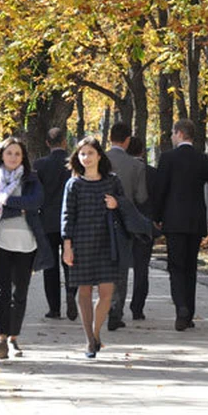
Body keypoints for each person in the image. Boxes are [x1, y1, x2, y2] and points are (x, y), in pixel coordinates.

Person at [151, 119, 208, 331]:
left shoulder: (168, 158)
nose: (171, 137)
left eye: (172, 133)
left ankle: (181, 309)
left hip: (173, 220)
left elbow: (160, 189)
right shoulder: (203, 160)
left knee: (176, 267)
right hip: (196, 220)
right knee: (190, 267)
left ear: (179, 133)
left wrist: (156, 216)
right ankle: (189, 312)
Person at [0, 137, 54, 359]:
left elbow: (36, 202)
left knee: (20, 293)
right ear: (1, 155)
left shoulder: (31, 178)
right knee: (2, 293)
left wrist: (5, 203)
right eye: (9, 153)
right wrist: (17, 208)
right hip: (0, 242)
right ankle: (1, 337)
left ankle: (14, 338)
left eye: (17, 154)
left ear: (23, 157)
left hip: (27, 243)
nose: (13, 157)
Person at [62, 136, 128, 358]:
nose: (86, 158)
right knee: (84, 291)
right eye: (82, 154)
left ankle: (96, 331)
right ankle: (90, 340)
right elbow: (67, 216)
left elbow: (126, 207)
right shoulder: (74, 184)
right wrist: (67, 246)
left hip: (107, 242)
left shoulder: (112, 181)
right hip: (81, 242)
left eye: (90, 153)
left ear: (99, 155)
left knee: (107, 292)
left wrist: (116, 203)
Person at [106, 123, 149, 331]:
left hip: (98, 220)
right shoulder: (136, 166)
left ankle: (103, 303)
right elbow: (141, 197)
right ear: (127, 141)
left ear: (109, 137)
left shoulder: (98, 160)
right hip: (123, 221)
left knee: (103, 265)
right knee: (121, 268)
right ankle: (116, 310)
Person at [33, 127, 75, 320]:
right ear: (65, 142)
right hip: (71, 221)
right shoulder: (74, 163)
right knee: (71, 262)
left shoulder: (40, 165)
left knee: (50, 266)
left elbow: (36, 195)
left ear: (47, 143)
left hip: (47, 221)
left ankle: (54, 308)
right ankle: (71, 294)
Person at [126, 136, 156, 321]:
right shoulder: (153, 172)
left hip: (125, 223)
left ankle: (116, 306)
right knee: (142, 267)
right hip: (146, 224)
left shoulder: (122, 171)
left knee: (119, 266)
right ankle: (138, 307)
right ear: (142, 152)